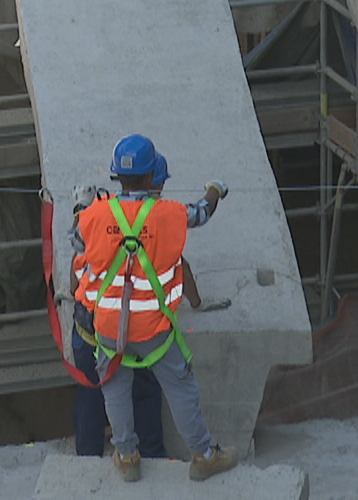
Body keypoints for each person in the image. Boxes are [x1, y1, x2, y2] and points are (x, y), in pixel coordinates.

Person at [75, 134, 236, 483]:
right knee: (180, 387)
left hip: (107, 326)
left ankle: (127, 456)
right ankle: (203, 455)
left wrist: (84, 207)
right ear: (151, 178)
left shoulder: (97, 214)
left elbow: (77, 240)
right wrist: (215, 189)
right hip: (153, 328)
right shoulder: (168, 214)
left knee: (114, 388)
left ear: (118, 176)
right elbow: (202, 212)